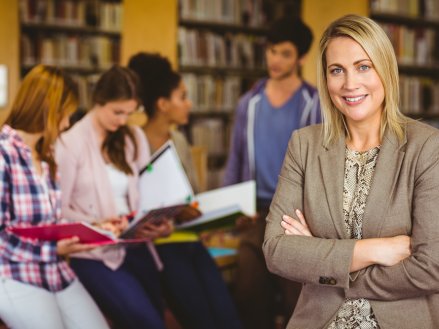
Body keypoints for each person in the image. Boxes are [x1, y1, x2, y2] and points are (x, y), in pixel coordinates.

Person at [264, 14, 439, 329]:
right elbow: (277, 250)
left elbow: (430, 268)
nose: (349, 84)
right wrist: (374, 249)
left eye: (363, 66)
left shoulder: (427, 147)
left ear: (384, 69)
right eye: (336, 70)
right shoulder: (303, 145)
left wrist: (324, 262)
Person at [128, 52, 242, 329]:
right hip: (162, 248)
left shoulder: (179, 139)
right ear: (162, 104)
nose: (189, 103)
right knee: (202, 319)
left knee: (227, 317)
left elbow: (193, 196)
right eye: (183, 96)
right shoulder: (134, 143)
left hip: (191, 239)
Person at [56, 65, 173, 329]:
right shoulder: (70, 143)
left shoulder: (134, 137)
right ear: (99, 100)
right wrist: (99, 225)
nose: (122, 121)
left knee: (158, 318)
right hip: (94, 254)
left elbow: (147, 193)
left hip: (136, 243)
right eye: (117, 112)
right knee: (147, 322)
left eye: (129, 114)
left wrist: (157, 220)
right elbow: (58, 211)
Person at [223, 16, 321, 329]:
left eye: (285, 53)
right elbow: (236, 160)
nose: (275, 60)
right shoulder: (247, 104)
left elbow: (322, 164)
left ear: (301, 58)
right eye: (271, 51)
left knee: (299, 293)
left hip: (297, 214)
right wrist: (231, 209)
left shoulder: (314, 103)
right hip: (256, 215)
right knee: (247, 289)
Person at [0, 65, 109, 329]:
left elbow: (48, 224)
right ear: (48, 109)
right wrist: (53, 248)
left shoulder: (46, 156)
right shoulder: (3, 154)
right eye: (65, 115)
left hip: (54, 270)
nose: (67, 124)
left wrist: (87, 232)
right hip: (13, 274)